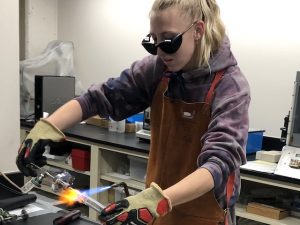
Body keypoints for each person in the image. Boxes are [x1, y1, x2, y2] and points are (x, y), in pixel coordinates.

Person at [16, 0, 250, 224]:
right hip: (156, 210)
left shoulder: (231, 87)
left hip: (200, 217)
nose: (160, 52)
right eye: (153, 42)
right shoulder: (159, 69)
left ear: (198, 30)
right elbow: (97, 98)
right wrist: (45, 128)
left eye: (168, 41)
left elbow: (218, 163)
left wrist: (157, 201)